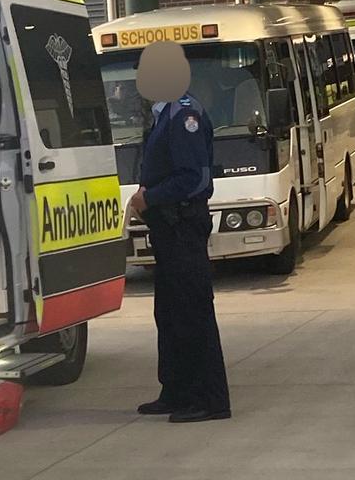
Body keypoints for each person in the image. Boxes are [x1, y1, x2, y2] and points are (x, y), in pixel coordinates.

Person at [128, 41, 231, 424]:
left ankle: (208, 399)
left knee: (193, 312)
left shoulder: (184, 115)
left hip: (183, 224)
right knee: (169, 313)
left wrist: (149, 197)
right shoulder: (163, 113)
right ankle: (176, 389)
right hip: (168, 228)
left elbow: (193, 177)